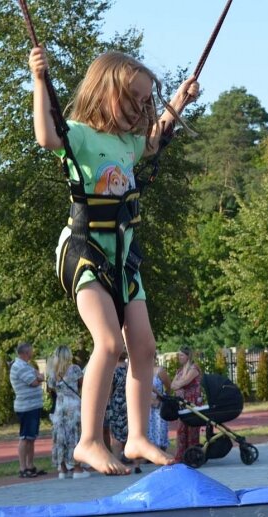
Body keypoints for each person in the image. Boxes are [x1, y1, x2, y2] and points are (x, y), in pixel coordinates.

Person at [29, 46, 199, 474]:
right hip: (84, 251)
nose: (140, 109)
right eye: (133, 100)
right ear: (106, 93)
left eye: (145, 102)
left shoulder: (128, 143)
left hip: (123, 257)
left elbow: (156, 138)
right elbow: (47, 137)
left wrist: (178, 101)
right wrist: (38, 82)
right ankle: (88, 441)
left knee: (143, 348)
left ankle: (137, 437)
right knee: (108, 343)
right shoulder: (82, 134)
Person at [46, 345, 89, 480]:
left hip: (59, 406)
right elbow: (84, 384)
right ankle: (77, 468)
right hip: (74, 406)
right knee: (75, 437)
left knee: (61, 438)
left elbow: (50, 389)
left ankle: (63, 470)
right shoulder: (75, 369)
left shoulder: (52, 372)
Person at [10, 342, 46, 478]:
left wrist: (38, 376)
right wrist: (40, 377)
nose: (32, 353)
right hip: (26, 407)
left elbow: (36, 377)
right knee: (25, 437)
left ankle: (30, 466)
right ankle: (23, 467)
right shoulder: (20, 366)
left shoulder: (25, 365)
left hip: (32, 405)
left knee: (31, 437)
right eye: (31, 351)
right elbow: (34, 382)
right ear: (25, 353)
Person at [108, 351, 141, 473]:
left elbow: (110, 390)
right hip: (132, 403)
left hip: (117, 405)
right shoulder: (131, 369)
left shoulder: (113, 370)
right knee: (132, 433)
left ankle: (117, 465)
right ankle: (137, 465)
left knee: (116, 437)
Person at [170, 346, 202, 462]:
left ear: (188, 356)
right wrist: (179, 384)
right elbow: (172, 385)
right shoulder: (179, 371)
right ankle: (182, 455)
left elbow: (184, 382)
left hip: (192, 402)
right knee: (181, 429)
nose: (179, 357)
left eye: (181, 355)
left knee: (192, 429)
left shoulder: (194, 368)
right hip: (182, 403)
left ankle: (192, 455)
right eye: (179, 355)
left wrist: (179, 384)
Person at [148, 364, 172, 453]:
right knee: (148, 430)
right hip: (147, 405)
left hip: (159, 404)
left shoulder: (160, 371)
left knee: (160, 430)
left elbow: (168, 387)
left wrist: (163, 398)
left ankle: (162, 452)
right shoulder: (141, 369)